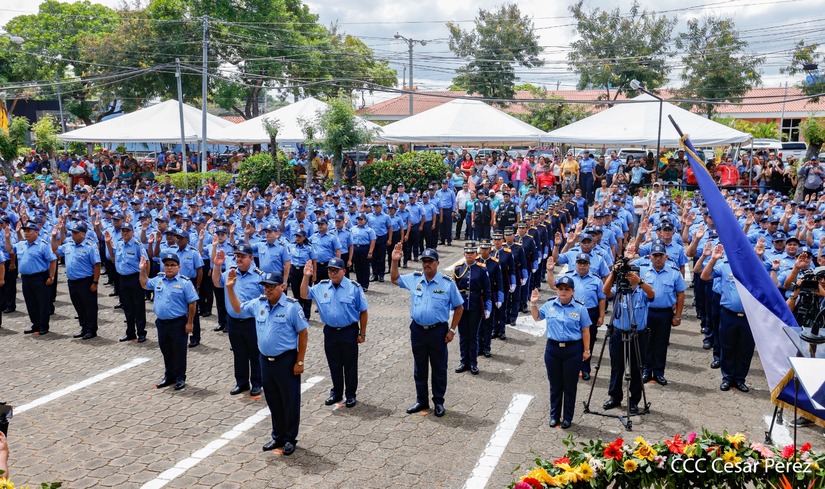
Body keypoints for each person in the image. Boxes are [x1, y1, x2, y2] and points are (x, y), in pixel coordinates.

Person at [226, 270, 308, 456]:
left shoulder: (291, 307)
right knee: (273, 400)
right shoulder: (259, 304)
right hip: (265, 360)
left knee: (289, 401)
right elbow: (238, 308)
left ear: (282, 287)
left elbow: (303, 333)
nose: (268, 290)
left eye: (272, 286)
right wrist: (230, 289)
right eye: (266, 286)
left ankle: (289, 438)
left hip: (286, 360)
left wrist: (300, 361)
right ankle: (277, 435)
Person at [390, 244, 463, 417]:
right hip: (417, 330)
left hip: (438, 331)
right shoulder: (415, 279)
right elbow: (394, 279)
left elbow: (459, 307)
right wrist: (394, 261)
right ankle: (421, 400)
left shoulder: (447, 284)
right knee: (419, 367)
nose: (426, 264)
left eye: (430, 261)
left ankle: (438, 401)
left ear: (437, 263)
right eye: (424, 261)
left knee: (438, 367)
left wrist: (452, 330)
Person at [300, 258, 368, 408]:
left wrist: (362, 333)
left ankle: (350, 394)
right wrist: (306, 276)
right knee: (334, 364)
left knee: (350, 365)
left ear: (344, 271)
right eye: (330, 270)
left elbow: (363, 311)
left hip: (349, 331)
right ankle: (336, 392)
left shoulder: (354, 288)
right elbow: (304, 294)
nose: (332, 273)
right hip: (330, 331)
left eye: (336, 270)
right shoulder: (322, 287)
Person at [530, 276, 591, 429]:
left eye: (567, 289)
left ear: (573, 291)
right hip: (553, 349)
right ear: (556, 290)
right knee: (555, 385)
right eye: (560, 289)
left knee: (570, 386)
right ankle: (554, 416)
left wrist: (586, 350)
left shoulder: (580, 308)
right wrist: (533, 304)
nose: (563, 292)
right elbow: (537, 317)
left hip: (572, 350)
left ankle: (567, 417)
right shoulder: (550, 305)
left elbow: (585, 330)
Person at [601, 262, 655, 414]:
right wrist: (613, 272)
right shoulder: (619, 290)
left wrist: (640, 282)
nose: (629, 277)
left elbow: (652, 294)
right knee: (617, 367)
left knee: (637, 369)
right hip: (618, 333)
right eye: (627, 275)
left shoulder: (642, 291)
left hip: (638, 335)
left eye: (633, 275)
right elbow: (605, 291)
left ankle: (634, 400)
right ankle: (615, 397)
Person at [140, 252, 198, 391]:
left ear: (179, 267)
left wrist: (190, 323)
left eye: (172, 265)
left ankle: (180, 378)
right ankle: (169, 376)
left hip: (178, 323)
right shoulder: (159, 279)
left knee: (179, 352)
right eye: (166, 265)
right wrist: (142, 269)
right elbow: (144, 284)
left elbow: (192, 303)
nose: (169, 268)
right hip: (162, 323)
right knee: (166, 350)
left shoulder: (184, 282)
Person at [213, 246, 264, 397]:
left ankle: (257, 383)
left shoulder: (259, 276)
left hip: (252, 322)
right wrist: (217, 265)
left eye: (242, 256)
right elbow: (217, 282)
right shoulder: (230, 272)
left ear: (251, 258)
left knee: (255, 354)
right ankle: (241, 383)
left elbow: (266, 300)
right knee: (239, 353)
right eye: (237, 256)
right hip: (234, 321)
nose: (239, 259)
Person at [635, 243, 686, 385]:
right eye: (655, 256)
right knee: (645, 342)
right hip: (646, 311)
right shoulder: (642, 270)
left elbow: (680, 295)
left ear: (666, 256)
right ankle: (646, 370)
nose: (658, 259)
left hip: (665, 313)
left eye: (660, 256)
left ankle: (658, 372)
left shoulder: (674, 272)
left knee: (661, 343)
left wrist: (678, 316)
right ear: (650, 257)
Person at [52, 221, 101, 339]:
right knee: (78, 306)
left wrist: (95, 282)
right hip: (72, 281)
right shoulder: (69, 244)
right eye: (72, 232)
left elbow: (97, 265)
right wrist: (54, 237)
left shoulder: (90, 246)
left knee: (89, 307)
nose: (72, 235)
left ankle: (91, 329)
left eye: (75, 233)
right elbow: (55, 250)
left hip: (86, 281)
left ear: (83, 234)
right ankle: (83, 327)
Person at [8, 222, 56, 335]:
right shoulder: (21, 244)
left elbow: (53, 260)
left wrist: (51, 276)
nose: (26, 233)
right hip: (25, 278)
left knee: (42, 303)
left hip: (39, 277)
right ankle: (35, 324)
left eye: (29, 231)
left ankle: (43, 326)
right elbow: (9, 249)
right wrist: (7, 238)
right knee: (30, 302)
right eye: (25, 231)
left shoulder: (43, 245)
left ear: (36, 232)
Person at [105, 223, 148, 342]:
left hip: (135, 278)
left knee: (138, 306)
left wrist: (145, 278)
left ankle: (141, 332)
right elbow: (113, 256)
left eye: (127, 231)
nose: (125, 233)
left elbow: (146, 262)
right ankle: (130, 332)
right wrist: (108, 243)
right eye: (123, 231)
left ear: (132, 232)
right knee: (127, 307)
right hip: (122, 279)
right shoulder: (119, 244)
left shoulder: (138, 245)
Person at [452, 242, 491, 375]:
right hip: (461, 307)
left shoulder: (481, 269)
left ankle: (473, 363)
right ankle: (463, 361)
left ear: (476, 254)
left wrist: (487, 305)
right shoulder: (458, 268)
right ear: (464, 254)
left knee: (473, 335)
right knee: (463, 335)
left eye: (472, 253)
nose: (469, 255)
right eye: (467, 253)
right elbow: (454, 289)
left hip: (475, 305)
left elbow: (487, 289)